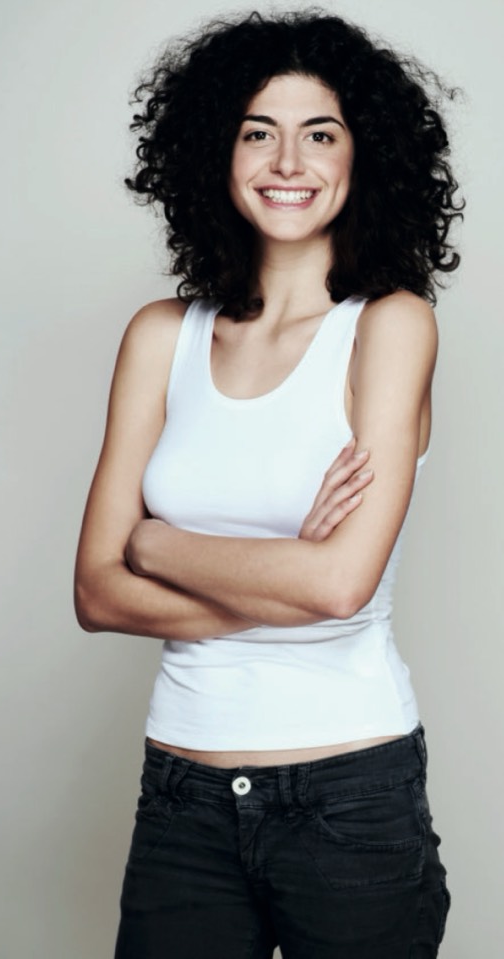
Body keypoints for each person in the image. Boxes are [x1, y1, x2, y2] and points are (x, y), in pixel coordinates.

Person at [74, 11, 462, 958]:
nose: (288, 161)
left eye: (320, 134)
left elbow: (339, 586)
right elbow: (95, 593)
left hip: (348, 794)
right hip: (181, 796)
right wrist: (282, 574)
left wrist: (157, 544)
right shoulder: (161, 336)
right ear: (218, 151)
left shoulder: (391, 326)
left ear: (364, 156)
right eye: (259, 132)